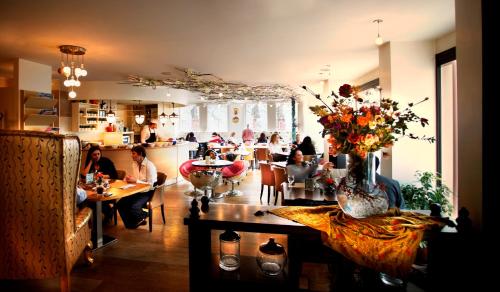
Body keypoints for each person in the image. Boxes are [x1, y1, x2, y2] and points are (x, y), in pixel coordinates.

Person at [117, 145, 158, 229]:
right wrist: (129, 179)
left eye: (133, 153)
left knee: (134, 207)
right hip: (137, 191)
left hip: (148, 192)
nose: (131, 155)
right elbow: (137, 179)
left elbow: (150, 184)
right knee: (120, 204)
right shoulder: (134, 164)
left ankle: (146, 214)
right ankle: (131, 224)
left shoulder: (150, 166)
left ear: (141, 154)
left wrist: (135, 181)